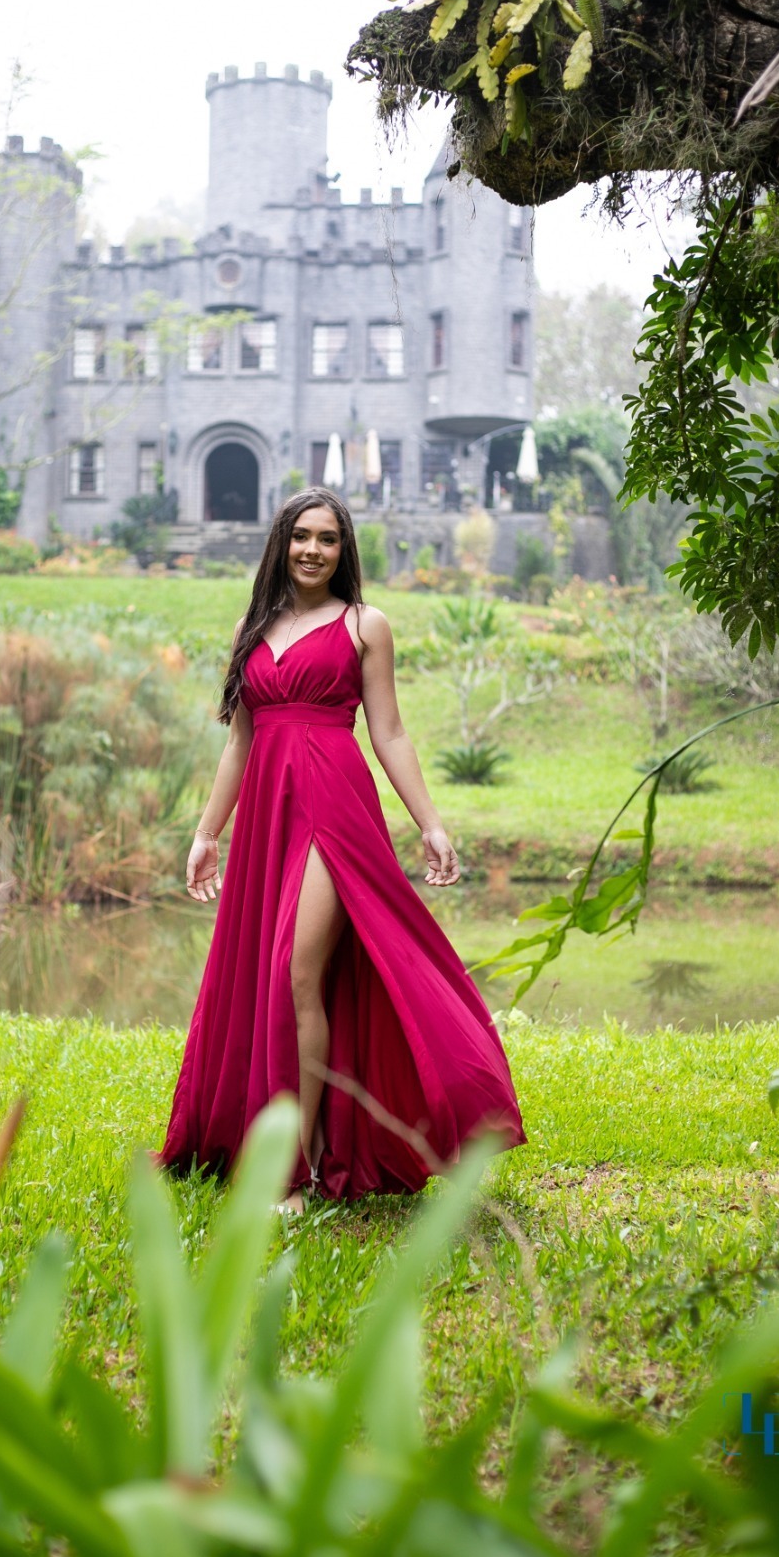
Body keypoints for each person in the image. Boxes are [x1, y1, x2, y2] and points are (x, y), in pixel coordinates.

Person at [159, 488, 526, 1211]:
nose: (313, 550)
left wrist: (431, 824)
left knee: (295, 972)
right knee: (275, 978)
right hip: (268, 814)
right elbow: (239, 743)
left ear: (344, 549)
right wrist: (206, 834)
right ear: (282, 542)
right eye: (302, 536)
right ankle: (311, 1143)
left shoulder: (365, 625)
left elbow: (389, 731)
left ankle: (297, 1170)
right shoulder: (250, 628)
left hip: (334, 810)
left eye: (328, 539)